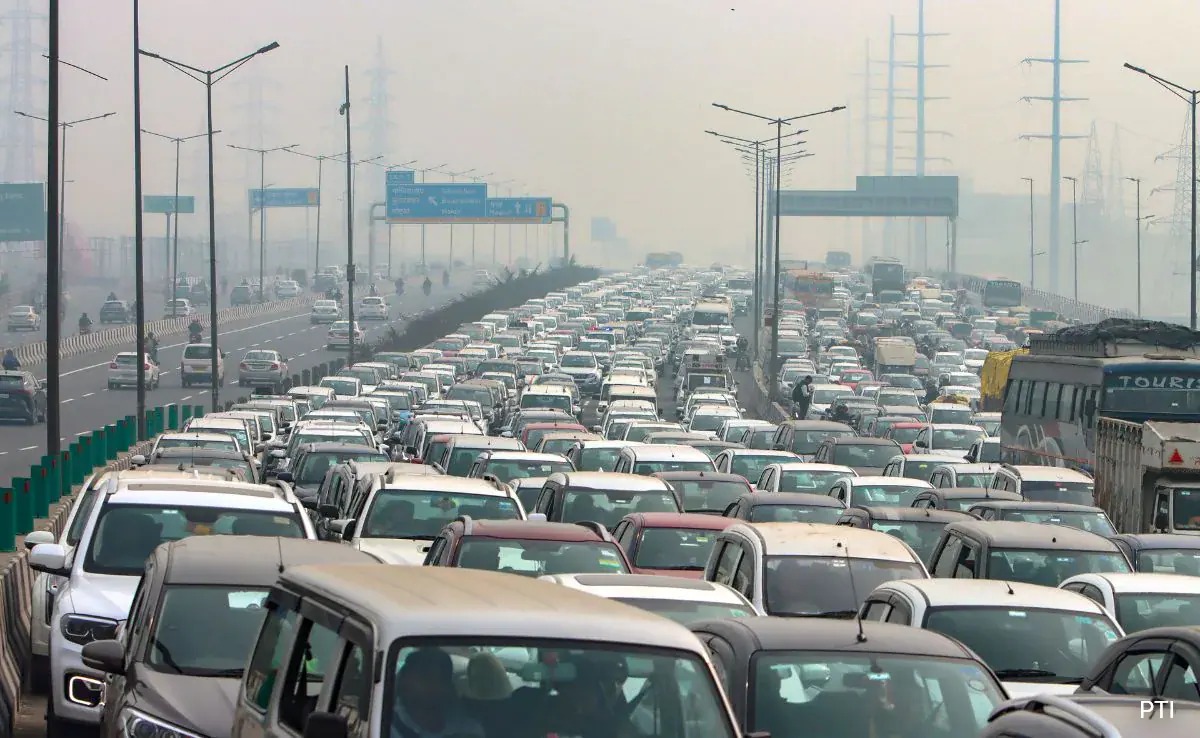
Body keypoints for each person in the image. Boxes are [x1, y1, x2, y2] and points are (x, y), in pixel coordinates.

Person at [392, 648, 484, 738]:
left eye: (441, 678)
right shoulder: (385, 724)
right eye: (425, 677)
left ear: (448, 686)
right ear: (403, 682)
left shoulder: (469, 729)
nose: (432, 685)